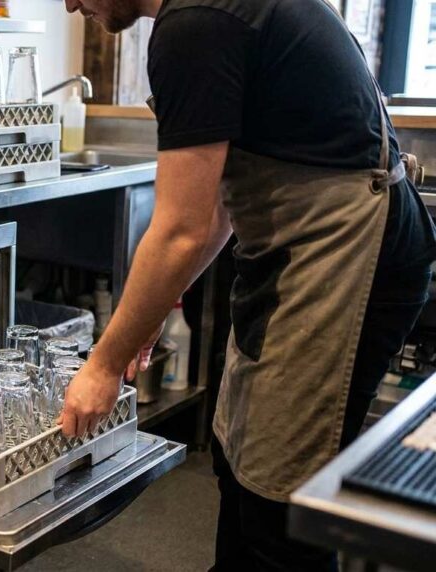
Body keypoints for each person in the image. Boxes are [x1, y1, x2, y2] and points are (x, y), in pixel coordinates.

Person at [61, 0, 436, 569]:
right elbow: (215, 210)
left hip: (342, 256)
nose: (69, 4)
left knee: (279, 502)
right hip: (301, 258)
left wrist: (103, 365)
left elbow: (182, 230)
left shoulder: (194, 25)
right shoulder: (208, 14)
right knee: (239, 459)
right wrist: (147, 312)